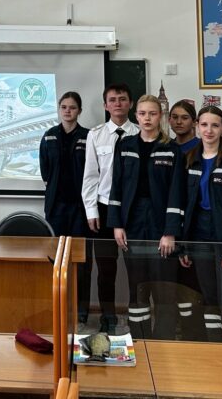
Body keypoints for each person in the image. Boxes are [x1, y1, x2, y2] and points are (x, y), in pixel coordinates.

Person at [168, 105, 222, 342]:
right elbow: (185, 205)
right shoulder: (190, 159)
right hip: (199, 238)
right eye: (204, 124)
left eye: (215, 125)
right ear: (197, 126)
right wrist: (184, 246)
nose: (209, 130)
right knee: (210, 298)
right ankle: (217, 346)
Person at [108, 94, 181, 339]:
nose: (147, 118)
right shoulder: (125, 145)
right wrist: (117, 224)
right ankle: (140, 338)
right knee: (136, 284)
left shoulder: (172, 149)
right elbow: (116, 186)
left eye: (152, 113)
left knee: (163, 286)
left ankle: (163, 339)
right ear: (136, 116)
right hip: (132, 221)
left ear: (160, 116)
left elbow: (176, 194)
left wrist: (170, 232)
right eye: (142, 114)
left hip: (161, 223)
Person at [82, 82, 139, 333]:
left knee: (136, 268)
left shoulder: (140, 133)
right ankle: (108, 317)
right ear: (106, 105)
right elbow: (90, 176)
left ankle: (137, 317)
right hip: (104, 209)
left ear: (131, 104)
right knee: (106, 269)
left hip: (133, 211)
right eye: (113, 100)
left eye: (123, 99)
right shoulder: (95, 134)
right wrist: (91, 210)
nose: (118, 103)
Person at [39, 91, 90, 322]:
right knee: (56, 259)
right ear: (59, 110)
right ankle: (59, 306)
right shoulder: (49, 136)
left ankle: (81, 310)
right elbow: (45, 172)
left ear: (80, 111)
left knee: (80, 261)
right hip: (56, 208)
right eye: (64, 107)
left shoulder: (88, 136)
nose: (68, 111)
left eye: (72, 107)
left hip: (81, 209)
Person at [167, 98, 204, 338]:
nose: (178, 122)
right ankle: (175, 325)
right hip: (170, 223)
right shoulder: (165, 147)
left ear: (194, 122)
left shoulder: (202, 147)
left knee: (192, 278)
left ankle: (194, 329)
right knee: (171, 280)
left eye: (184, 118)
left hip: (194, 222)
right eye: (174, 117)